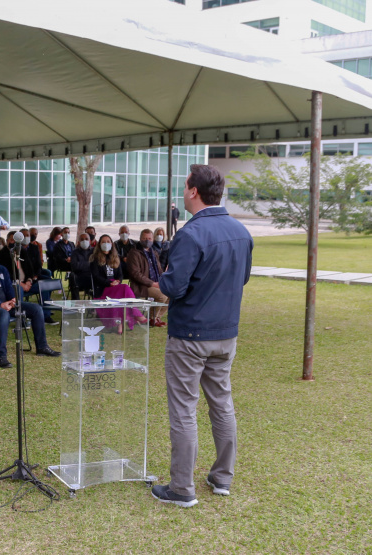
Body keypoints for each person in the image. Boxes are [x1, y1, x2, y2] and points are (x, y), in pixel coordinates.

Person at [151, 164, 253, 508]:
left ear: (193, 192)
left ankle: (181, 488)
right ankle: (222, 477)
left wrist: (163, 275)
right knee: (222, 404)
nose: (183, 190)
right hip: (226, 334)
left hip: (190, 336)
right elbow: (242, 279)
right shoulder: (241, 231)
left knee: (183, 409)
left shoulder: (191, 235)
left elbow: (172, 287)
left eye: (184, 186)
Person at [0, 239, 59, 368]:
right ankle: (1, 356)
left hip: (5, 305)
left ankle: (42, 346)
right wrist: (0, 304)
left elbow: (9, 288)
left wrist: (13, 299)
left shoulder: (2, 269)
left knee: (36, 309)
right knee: (3, 314)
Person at [89, 234, 147, 334]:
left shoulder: (115, 258)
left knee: (122, 291)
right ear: (99, 244)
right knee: (124, 289)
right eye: (103, 242)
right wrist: (109, 283)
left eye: (108, 241)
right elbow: (96, 277)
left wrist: (117, 281)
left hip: (115, 287)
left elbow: (120, 275)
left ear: (112, 244)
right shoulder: (95, 259)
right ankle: (136, 313)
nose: (106, 244)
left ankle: (120, 324)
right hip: (103, 288)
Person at [126, 229, 169, 327]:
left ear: (153, 239)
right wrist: (152, 284)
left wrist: (165, 280)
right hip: (141, 286)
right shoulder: (134, 253)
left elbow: (159, 270)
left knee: (172, 293)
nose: (147, 240)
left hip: (155, 283)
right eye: (144, 238)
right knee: (162, 295)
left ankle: (156, 317)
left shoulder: (153, 253)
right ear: (140, 239)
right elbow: (135, 274)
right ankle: (151, 318)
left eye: (149, 238)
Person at [69, 233, 94, 299]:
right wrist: (89, 264)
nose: (84, 241)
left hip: (92, 277)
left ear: (90, 241)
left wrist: (81, 264)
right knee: (72, 276)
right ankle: (76, 303)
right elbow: (74, 267)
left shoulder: (94, 251)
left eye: (86, 239)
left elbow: (96, 265)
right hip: (79, 277)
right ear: (78, 242)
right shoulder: (75, 252)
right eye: (82, 239)